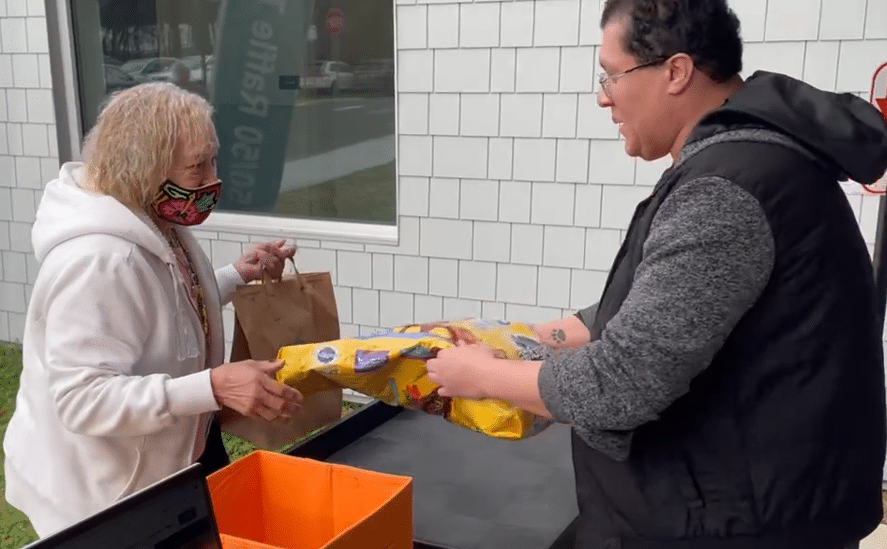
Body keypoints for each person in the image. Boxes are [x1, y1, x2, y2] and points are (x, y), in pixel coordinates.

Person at [426, 1, 887, 547]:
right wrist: (532, 336)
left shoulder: (727, 188)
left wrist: (479, 377)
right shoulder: (756, 164)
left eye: (611, 75)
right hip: (752, 502)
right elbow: (676, 307)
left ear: (676, 71)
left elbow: (620, 384)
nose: (603, 96)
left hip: (735, 523)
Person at [3, 82, 304, 538]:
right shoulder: (98, 260)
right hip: (106, 495)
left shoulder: (151, 218)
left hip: (173, 457)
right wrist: (213, 386)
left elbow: (166, 305)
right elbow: (81, 400)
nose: (211, 180)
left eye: (213, 160)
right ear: (144, 169)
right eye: (196, 167)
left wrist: (234, 275)